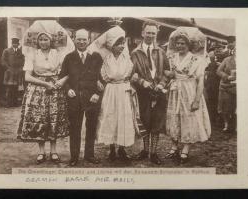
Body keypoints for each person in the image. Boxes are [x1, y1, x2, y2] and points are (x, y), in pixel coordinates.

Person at [17, 20, 74, 164]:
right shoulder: (32, 54)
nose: (43, 42)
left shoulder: (57, 53)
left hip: (55, 89)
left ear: (51, 40)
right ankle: (41, 151)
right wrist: (44, 83)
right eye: (41, 39)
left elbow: (68, 72)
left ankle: (53, 151)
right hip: (38, 90)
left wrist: (61, 81)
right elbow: (27, 76)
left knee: (53, 119)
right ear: (37, 41)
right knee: (40, 120)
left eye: (46, 39)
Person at [93, 26, 140, 162]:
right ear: (112, 46)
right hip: (111, 90)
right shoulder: (107, 59)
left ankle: (122, 149)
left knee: (123, 118)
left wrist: (132, 78)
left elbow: (130, 74)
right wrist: (101, 81)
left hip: (124, 90)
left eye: (122, 43)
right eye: (118, 44)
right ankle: (112, 148)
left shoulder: (127, 59)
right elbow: (105, 75)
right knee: (111, 117)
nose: (121, 46)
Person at [165, 28, 211, 164]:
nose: (179, 46)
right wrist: (170, 74)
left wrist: (197, 100)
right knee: (174, 117)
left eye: (183, 44)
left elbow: (200, 81)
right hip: (175, 92)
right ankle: (174, 146)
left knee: (188, 119)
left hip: (190, 91)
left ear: (189, 45)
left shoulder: (197, 59)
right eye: (178, 43)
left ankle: (185, 148)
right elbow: (173, 73)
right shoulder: (172, 57)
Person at [59, 29, 103, 167]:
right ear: (74, 39)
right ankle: (74, 157)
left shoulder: (96, 57)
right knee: (75, 128)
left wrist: (98, 94)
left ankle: (89, 155)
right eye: (79, 39)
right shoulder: (69, 57)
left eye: (84, 39)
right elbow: (62, 78)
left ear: (89, 40)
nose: (82, 42)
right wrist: (68, 90)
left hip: (92, 99)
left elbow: (103, 78)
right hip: (75, 99)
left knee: (91, 127)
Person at [131, 21, 170, 165]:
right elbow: (132, 73)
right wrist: (142, 82)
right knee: (145, 121)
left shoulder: (161, 52)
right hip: (144, 93)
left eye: (153, 33)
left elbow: (167, 72)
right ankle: (145, 150)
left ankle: (153, 153)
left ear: (156, 34)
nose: (150, 35)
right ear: (142, 33)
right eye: (148, 32)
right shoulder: (135, 53)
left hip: (159, 92)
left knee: (157, 123)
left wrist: (161, 84)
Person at [217, 46, 236, 133]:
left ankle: (236, 125)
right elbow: (218, 71)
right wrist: (227, 77)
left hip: (240, 87)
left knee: (237, 108)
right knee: (225, 108)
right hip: (226, 86)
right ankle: (226, 123)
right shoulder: (227, 60)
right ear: (233, 51)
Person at [1, 37, 25, 107]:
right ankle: (8, 103)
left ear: (18, 44)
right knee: (9, 88)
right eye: (14, 43)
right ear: (12, 44)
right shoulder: (6, 51)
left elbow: (23, 61)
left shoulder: (20, 52)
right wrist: (8, 68)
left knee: (16, 87)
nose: (15, 45)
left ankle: (15, 103)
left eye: (16, 44)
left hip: (17, 72)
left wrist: (21, 68)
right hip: (9, 72)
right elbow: (3, 61)